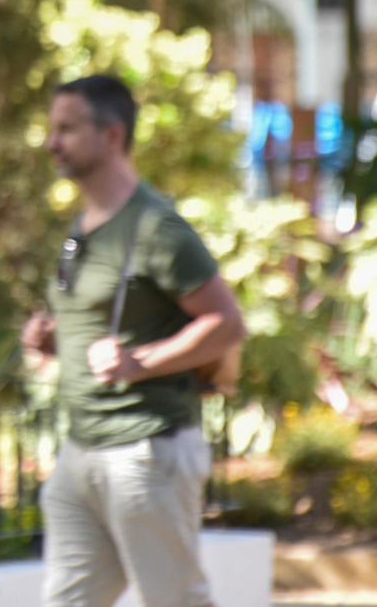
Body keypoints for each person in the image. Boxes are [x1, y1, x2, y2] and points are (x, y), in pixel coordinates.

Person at [21, 74, 246, 607]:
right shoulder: (84, 226)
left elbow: (227, 324)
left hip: (146, 452)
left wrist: (139, 362)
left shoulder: (155, 228)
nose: (53, 142)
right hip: (81, 454)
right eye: (53, 129)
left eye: (67, 129)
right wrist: (53, 339)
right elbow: (104, 322)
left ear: (112, 136)